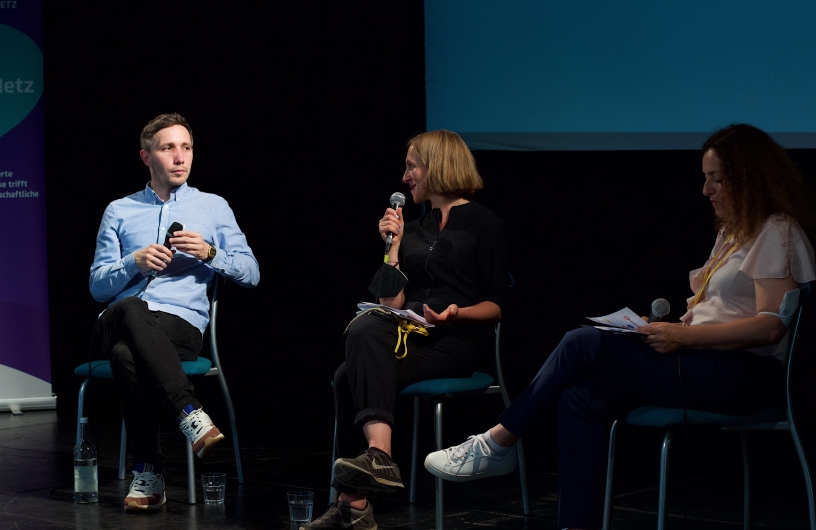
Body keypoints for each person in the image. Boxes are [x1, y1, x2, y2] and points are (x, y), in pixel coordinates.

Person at [424, 124, 816, 529]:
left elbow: (771, 326)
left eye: (717, 179)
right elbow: (719, 309)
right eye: (706, 178)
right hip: (703, 361)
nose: (706, 190)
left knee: (580, 344)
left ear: (749, 177)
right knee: (578, 397)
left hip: (745, 377)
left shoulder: (778, 230)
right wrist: (663, 327)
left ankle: (498, 441)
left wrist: (685, 336)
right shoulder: (734, 235)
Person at [304, 130, 513, 530]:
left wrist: (458, 314)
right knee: (347, 372)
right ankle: (358, 500)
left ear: (436, 167)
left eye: (411, 167)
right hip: (408, 335)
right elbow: (390, 305)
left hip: (457, 340)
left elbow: (500, 304)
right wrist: (393, 247)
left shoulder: (485, 225)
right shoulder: (415, 229)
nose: (405, 177)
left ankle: (367, 483)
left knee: (359, 350)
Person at [89, 113, 259, 511]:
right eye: (168, 148)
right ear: (147, 157)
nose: (180, 157)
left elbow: (252, 274)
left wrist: (211, 254)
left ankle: (148, 472)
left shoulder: (213, 207)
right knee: (130, 307)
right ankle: (190, 411)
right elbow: (98, 287)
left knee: (125, 356)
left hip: (181, 326)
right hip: (117, 319)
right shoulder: (120, 210)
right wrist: (135, 262)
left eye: (186, 147)